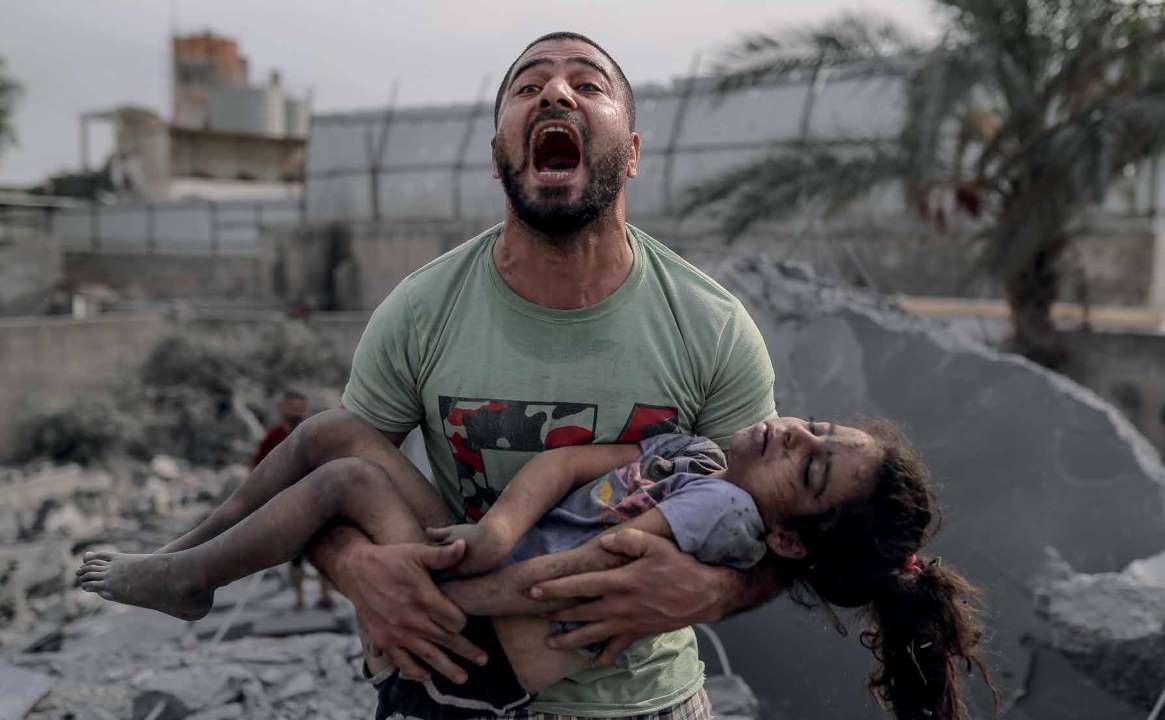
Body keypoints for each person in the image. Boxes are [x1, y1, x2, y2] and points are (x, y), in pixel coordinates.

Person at [105, 31, 781, 720]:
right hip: (447, 670)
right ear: (497, 156)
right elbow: (326, 493)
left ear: (631, 153)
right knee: (331, 436)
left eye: (588, 83)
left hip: (642, 702)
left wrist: (713, 593)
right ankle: (188, 564)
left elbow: (780, 528)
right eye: (527, 86)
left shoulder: (709, 325)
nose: (554, 92)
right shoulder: (423, 308)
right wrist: (356, 569)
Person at [78, 416, 997, 720]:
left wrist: (440, 592)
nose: (795, 431)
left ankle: (195, 574)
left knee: (348, 470)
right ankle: (186, 562)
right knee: (326, 434)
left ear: (791, 539)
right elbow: (570, 468)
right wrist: (488, 530)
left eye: (811, 465)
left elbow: (575, 577)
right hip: (486, 561)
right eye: (822, 428)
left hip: (484, 647)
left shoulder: (723, 519)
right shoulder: (704, 463)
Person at [251, 390, 336, 610]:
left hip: (315, 499)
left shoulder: (313, 431)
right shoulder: (273, 437)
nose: (296, 411)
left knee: (323, 548)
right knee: (295, 554)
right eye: (292, 406)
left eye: (300, 407)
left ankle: (326, 596)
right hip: (286, 502)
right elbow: (258, 469)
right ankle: (299, 600)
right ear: (282, 409)